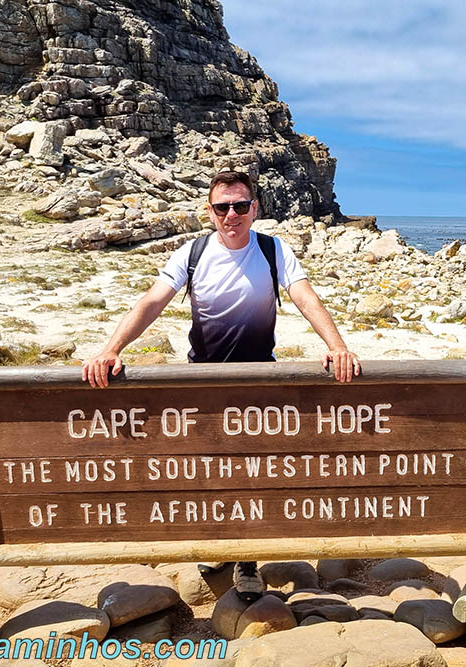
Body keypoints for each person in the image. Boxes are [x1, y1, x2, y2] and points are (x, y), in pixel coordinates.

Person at [82, 170, 361, 602]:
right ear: (210, 212)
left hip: (257, 382)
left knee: (250, 473)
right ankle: (216, 545)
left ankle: (246, 560)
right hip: (202, 383)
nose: (231, 215)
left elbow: (305, 297)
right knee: (207, 471)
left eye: (240, 205)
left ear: (255, 209)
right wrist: (111, 348)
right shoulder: (192, 253)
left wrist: (337, 346)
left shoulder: (273, 250)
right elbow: (152, 301)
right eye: (221, 207)